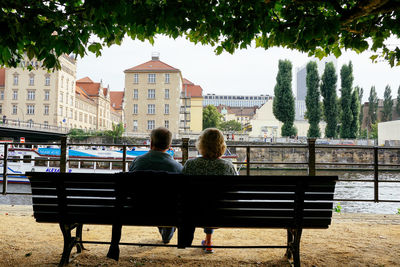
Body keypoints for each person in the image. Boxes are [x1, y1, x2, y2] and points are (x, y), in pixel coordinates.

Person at [107, 127, 182, 260]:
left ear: (151, 143)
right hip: (167, 212)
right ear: (169, 146)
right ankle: (167, 232)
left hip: (138, 210)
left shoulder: (138, 161)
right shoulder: (177, 167)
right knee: (167, 202)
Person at [182, 128, 237, 253]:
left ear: (201, 144)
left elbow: (183, 191)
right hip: (222, 214)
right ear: (222, 146)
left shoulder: (191, 165)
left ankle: (206, 240)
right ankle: (208, 240)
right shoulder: (228, 166)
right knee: (213, 201)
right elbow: (234, 192)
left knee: (202, 200)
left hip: (194, 214)